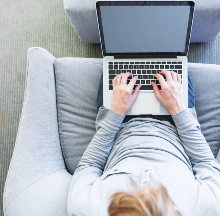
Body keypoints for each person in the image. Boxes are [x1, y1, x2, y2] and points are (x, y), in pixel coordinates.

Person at [67, 71, 220, 216]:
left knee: (119, 50)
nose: (147, 187)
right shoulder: (207, 208)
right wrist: (177, 108)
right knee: (172, 50)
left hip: (120, 121)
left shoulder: (85, 209)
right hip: (175, 121)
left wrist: (116, 113)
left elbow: (89, 165)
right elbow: (205, 162)